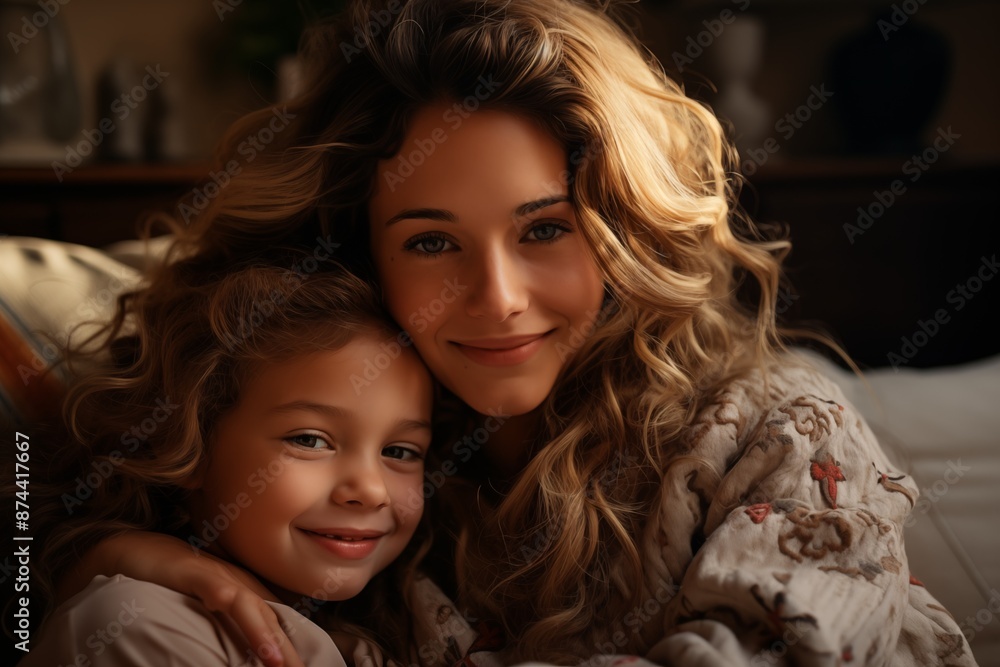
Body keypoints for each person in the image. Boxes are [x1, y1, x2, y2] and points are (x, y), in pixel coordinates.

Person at [52, 0, 977, 664]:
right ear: (359, 251)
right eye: (430, 241)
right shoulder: (337, 432)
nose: (496, 297)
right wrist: (119, 558)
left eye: (544, 229)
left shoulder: (778, 427)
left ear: (623, 229)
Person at [21, 256, 436, 666]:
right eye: (310, 440)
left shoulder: (401, 625)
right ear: (189, 443)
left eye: (399, 452)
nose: (371, 490)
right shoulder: (143, 625)